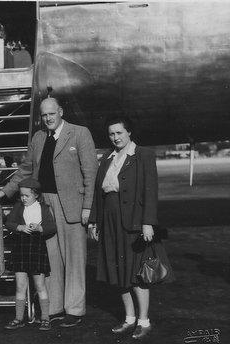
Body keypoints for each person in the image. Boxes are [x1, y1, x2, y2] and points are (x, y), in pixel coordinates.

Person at [0, 97, 98, 327]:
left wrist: (88, 207)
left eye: (52, 113)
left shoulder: (80, 133)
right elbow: (26, 170)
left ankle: (75, 309)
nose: (48, 118)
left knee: (74, 258)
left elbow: (90, 174)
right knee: (50, 259)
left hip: (72, 205)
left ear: (60, 112)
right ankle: (55, 307)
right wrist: (6, 190)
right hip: (43, 205)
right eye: (44, 115)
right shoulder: (39, 138)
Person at [88, 116, 174, 340]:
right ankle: (129, 319)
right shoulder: (107, 157)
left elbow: (150, 192)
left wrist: (148, 222)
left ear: (129, 133)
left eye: (119, 133)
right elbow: (99, 193)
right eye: (111, 134)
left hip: (134, 223)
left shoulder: (143, 155)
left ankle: (144, 321)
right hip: (109, 221)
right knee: (117, 271)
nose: (115, 137)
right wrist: (94, 221)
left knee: (138, 274)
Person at [3, 178, 56, 331]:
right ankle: (19, 318)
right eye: (21, 195)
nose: (23, 198)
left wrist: (40, 228)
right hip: (21, 248)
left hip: (36, 248)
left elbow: (51, 227)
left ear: (36, 195)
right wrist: (19, 227)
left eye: (27, 196)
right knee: (20, 286)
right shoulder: (18, 207)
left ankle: (45, 318)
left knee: (40, 285)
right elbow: (9, 223)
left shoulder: (43, 208)